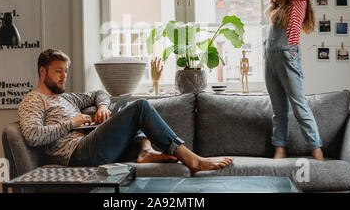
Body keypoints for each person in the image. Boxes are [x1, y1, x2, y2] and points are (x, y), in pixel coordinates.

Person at [18, 48, 233, 173]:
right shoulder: (33, 100)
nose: (64, 76)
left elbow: (97, 93)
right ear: (42, 71)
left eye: (65, 71)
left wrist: (102, 106)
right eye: (58, 71)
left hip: (90, 143)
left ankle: (144, 152)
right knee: (140, 107)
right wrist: (71, 124)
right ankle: (191, 159)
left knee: (126, 110)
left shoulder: (65, 97)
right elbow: (32, 135)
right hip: (78, 154)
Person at [231, 0, 324, 161]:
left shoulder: (297, 2)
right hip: (270, 61)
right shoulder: (277, 6)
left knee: (299, 106)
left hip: (287, 58)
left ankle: (317, 150)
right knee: (278, 109)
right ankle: (279, 148)